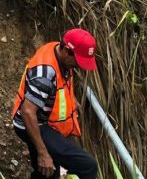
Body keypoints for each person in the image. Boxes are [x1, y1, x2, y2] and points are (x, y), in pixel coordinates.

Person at [11, 28, 100, 179]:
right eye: (78, 61)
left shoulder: (56, 50)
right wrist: (43, 153)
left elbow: (59, 85)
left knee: (49, 174)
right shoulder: (45, 75)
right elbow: (27, 112)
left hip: (42, 119)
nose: (79, 66)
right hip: (34, 124)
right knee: (88, 166)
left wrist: (72, 100)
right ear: (66, 51)